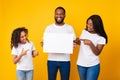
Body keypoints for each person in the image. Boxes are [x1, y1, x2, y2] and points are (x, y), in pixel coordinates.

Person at [41, 6, 76, 80]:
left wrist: (73, 45)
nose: (59, 16)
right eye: (57, 14)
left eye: (61, 14)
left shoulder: (70, 28)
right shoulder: (48, 28)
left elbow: (73, 42)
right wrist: (43, 44)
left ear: (64, 15)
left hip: (65, 61)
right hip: (51, 60)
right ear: (54, 15)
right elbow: (44, 42)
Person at [75, 15, 108, 80]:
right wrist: (77, 41)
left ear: (96, 25)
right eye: (87, 23)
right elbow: (82, 44)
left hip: (93, 65)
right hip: (81, 64)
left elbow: (97, 52)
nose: (88, 26)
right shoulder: (84, 31)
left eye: (91, 24)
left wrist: (90, 43)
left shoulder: (101, 38)